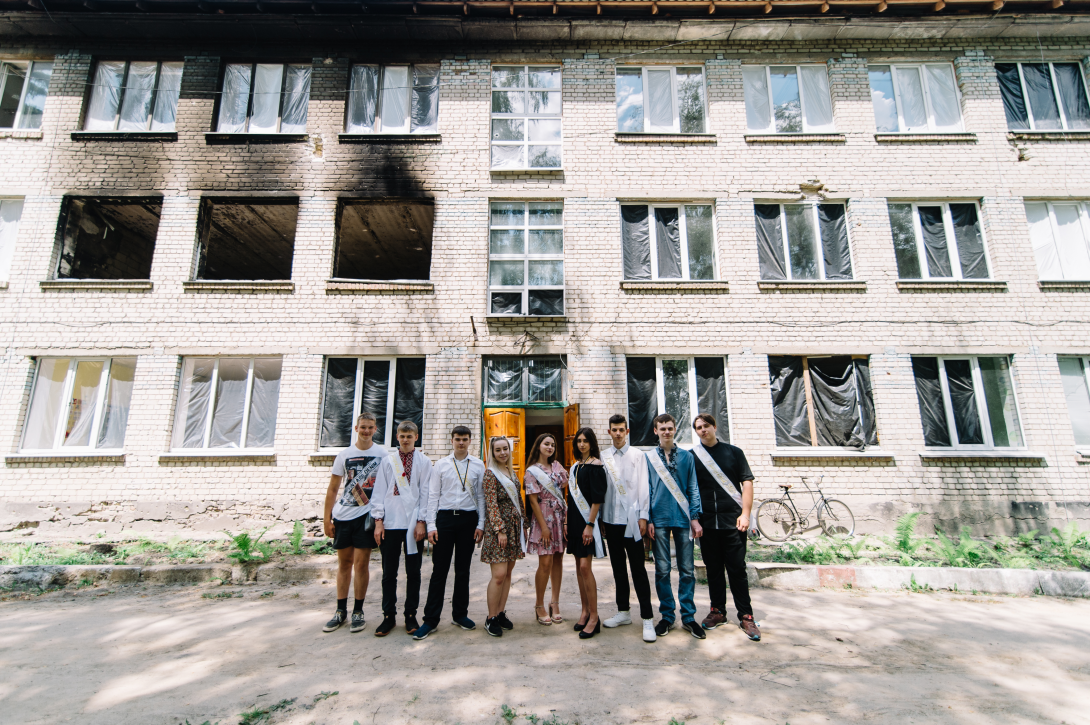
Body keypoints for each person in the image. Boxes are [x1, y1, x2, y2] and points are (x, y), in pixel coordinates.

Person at [692, 414, 760, 642]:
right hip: (707, 524)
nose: (703, 430)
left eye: (706, 426)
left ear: (714, 427)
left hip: (734, 522)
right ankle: (717, 611)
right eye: (699, 427)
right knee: (713, 570)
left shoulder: (734, 452)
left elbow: (747, 482)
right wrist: (694, 520)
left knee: (737, 570)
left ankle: (746, 616)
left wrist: (746, 514)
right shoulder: (693, 457)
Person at [413, 425, 485, 641]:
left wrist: (480, 524)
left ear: (470, 441)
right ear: (451, 441)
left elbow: (481, 497)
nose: (461, 443)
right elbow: (433, 496)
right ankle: (430, 620)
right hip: (444, 519)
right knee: (439, 571)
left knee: (463, 570)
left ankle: (459, 614)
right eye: (457, 439)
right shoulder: (441, 465)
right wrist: (431, 526)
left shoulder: (478, 465)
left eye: (464, 439)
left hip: (468, 520)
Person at [322, 412, 389, 634]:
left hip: (366, 517)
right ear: (356, 428)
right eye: (363, 427)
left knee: (361, 564)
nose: (366, 431)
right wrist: (326, 518)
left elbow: (388, 486)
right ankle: (340, 611)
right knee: (344, 564)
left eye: (370, 427)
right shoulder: (344, 455)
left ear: (375, 429)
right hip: (343, 516)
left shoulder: (382, 454)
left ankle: (358, 612)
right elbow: (333, 489)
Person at [645, 413, 705, 640]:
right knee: (662, 570)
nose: (667, 432)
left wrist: (695, 516)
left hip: (682, 519)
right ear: (656, 431)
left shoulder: (687, 457)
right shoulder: (648, 458)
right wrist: (648, 518)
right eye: (663, 429)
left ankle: (688, 617)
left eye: (670, 428)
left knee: (687, 570)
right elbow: (647, 489)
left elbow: (693, 488)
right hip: (658, 519)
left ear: (675, 429)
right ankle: (667, 616)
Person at [372, 420, 433, 637]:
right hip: (390, 523)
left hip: (413, 524)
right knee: (389, 573)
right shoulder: (389, 462)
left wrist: (421, 521)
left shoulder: (424, 462)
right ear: (397, 437)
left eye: (410, 436)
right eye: (402, 436)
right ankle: (388, 616)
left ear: (416, 437)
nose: (405, 439)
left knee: (413, 573)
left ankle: (410, 614)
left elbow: (426, 493)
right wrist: (378, 521)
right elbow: (379, 492)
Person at [600, 414, 656, 643]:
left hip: (632, 522)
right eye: (614, 430)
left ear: (627, 431)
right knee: (617, 569)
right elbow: (601, 490)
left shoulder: (637, 456)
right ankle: (623, 612)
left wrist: (644, 516)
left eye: (622, 429)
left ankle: (647, 618)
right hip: (611, 522)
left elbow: (644, 486)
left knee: (638, 570)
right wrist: (602, 519)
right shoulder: (604, 457)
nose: (618, 433)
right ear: (609, 432)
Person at [481, 436, 527, 637]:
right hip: (499, 530)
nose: (502, 453)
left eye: (505, 449)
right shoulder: (491, 474)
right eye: (498, 450)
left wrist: (524, 523)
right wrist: (500, 529)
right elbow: (491, 504)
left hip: (514, 528)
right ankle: (490, 618)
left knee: (508, 573)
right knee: (498, 575)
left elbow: (518, 499)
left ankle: (500, 613)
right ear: (492, 452)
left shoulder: (511, 471)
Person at [523, 433, 568, 625]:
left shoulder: (558, 467)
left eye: (552, 444)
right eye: (546, 444)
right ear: (538, 446)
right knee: (545, 563)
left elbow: (565, 486)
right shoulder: (532, 471)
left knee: (558, 559)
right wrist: (543, 527)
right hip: (543, 519)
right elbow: (532, 501)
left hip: (559, 518)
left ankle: (555, 602)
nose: (549, 447)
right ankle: (539, 604)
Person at [567, 427, 607, 639]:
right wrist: (566, 523)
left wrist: (590, 524)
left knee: (585, 567)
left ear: (592, 443)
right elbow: (571, 499)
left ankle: (594, 616)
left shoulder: (596, 466)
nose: (581, 444)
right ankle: (584, 612)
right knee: (578, 568)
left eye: (585, 441)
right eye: (578, 441)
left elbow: (597, 499)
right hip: (574, 522)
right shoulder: (576, 467)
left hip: (586, 523)